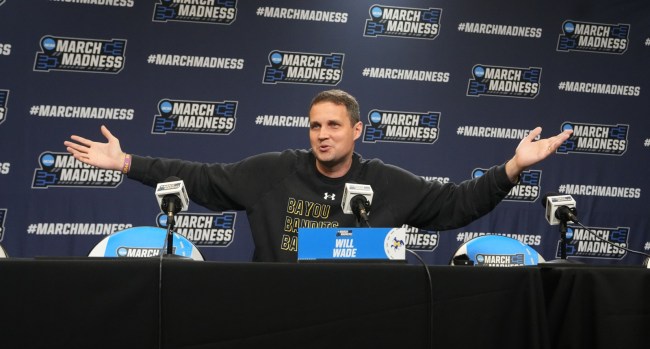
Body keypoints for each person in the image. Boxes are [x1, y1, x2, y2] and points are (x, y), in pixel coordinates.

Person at [64, 89, 573, 262]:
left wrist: (512, 168)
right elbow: (197, 177)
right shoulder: (273, 172)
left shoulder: (386, 182)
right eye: (314, 126)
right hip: (274, 321)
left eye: (334, 126)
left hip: (359, 326)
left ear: (357, 130)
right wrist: (127, 163)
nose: (322, 135)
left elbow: (456, 204)